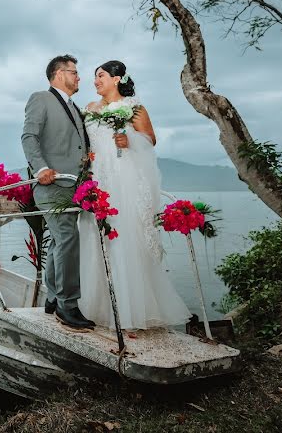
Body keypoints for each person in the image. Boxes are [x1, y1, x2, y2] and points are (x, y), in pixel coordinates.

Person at [78, 60, 191, 331]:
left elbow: (150, 139)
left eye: (101, 76)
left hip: (123, 180)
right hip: (97, 178)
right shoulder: (90, 109)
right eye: (95, 77)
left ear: (117, 79)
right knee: (95, 237)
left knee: (124, 236)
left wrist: (130, 141)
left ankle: (132, 311)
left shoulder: (135, 109)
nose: (96, 81)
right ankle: (94, 307)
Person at [21, 55, 94, 330]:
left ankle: (52, 297)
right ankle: (67, 305)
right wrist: (40, 168)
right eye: (74, 72)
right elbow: (29, 136)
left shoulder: (75, 108)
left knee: (58, 241)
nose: (79, 77)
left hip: (75, 186)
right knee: (67, 237)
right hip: (51, 185)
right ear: (58, 74)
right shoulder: (40, 98)